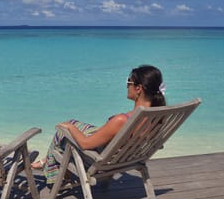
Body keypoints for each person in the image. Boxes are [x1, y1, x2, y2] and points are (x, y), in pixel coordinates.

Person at [31, 65, 166, 184]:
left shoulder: (122, 120)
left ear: (138, 89)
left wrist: (69, 127)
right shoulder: (158, 117)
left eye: (128, 82)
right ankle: (45, 161)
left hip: (103, 160)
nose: (126, 86)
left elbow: (85, 144)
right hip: (126, 158)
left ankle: (51, 167)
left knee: (64, 130)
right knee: (74, 124)